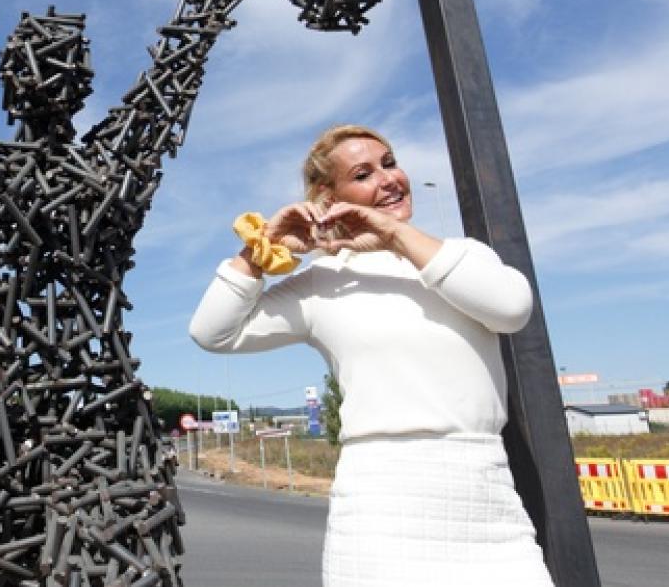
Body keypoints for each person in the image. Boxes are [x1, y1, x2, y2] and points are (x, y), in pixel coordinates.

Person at [188, 124, 552, 587]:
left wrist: (394, 236)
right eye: (363, 174)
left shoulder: (459, 257)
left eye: (389, 163)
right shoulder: (325, 283)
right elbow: (212, 332)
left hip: (486, 500)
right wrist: (258, 253)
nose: (388, 179)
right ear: (328, 197)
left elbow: (512, 308)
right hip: (380, 510)